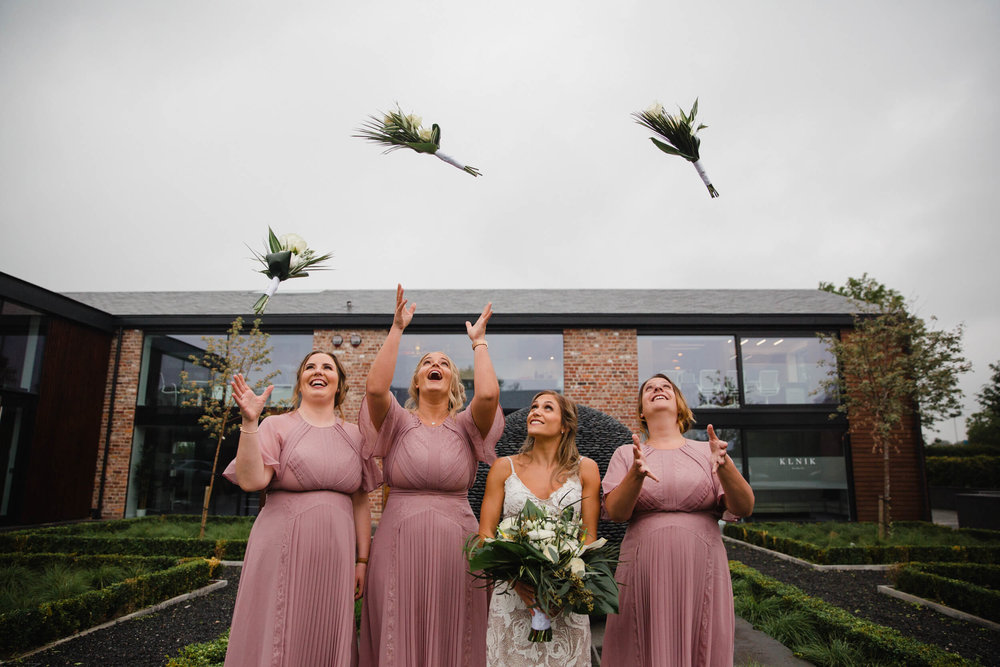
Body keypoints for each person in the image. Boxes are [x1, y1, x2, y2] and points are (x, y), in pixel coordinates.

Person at [358, 285, 504, 667]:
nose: (434, 364)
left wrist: (479, 344)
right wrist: (396, 328)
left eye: (442, 363)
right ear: (418, 382)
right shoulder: (397, 422)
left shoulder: (468, 426)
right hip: (398, 538)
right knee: (396, 623)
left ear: (453, 383)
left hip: (458, 544)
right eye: (426, 362)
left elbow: (488, 397)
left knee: (459, 626)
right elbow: (375, 388)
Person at [221, 351, 379, 667]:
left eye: (327, 367)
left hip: (336, 555)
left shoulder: (356, 436)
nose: (318, 372)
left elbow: (361, 501)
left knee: (326, 631)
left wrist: (362, 560)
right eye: (310, 366)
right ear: (300, 382)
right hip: (280, 546)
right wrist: (250, 422)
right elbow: (252, 481)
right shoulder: (276, 425)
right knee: (278, 628)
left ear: (339, 383)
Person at [601, 373, 755, 667]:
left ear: (680, 406)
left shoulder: (707, 451)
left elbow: (744, 506)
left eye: (665, 387)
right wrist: (635, 475)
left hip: (702, 566)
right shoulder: (626, 454)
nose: (657, 389)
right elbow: (617, 513)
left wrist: (726, 469)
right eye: (649, 388)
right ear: (641, 412)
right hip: (641, 567)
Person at [478, 391, 600, 667]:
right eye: (534, 407)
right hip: (512, 597)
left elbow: (588, 536)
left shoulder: (586, 469)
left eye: (547, 408)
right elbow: (485, 534)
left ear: (565, 424)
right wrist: (515, 581)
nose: (536, 411)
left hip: (565, 600)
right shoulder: (503, 468)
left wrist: (566, 585)